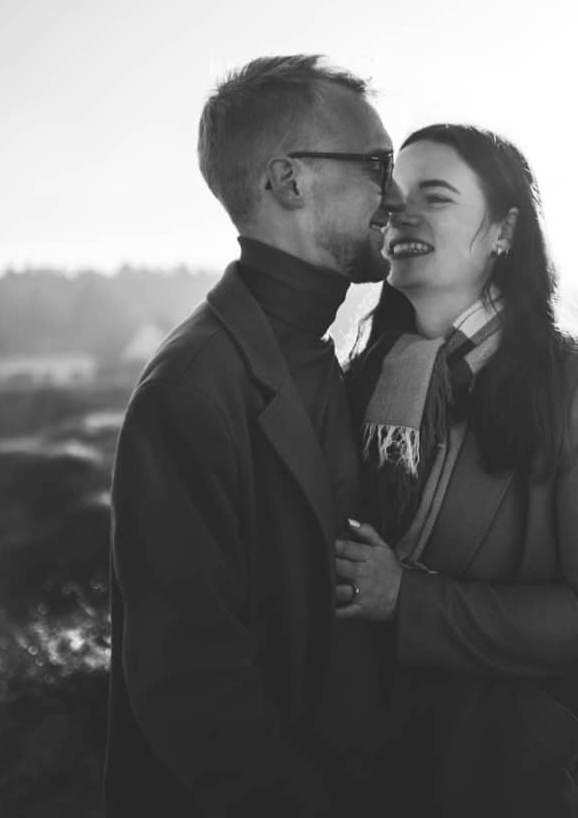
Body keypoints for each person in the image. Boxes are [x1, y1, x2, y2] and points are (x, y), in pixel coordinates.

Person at [337, 123, 578, 818]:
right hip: (373, 767)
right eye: (393, 198)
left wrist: (408, 601)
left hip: (516, 776)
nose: (403, 214)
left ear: (503, 231)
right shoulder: (356, 383)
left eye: (438, 196)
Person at [105, 54, 402, 816]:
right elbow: (190, 684)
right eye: (376, 164)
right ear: (289, 181)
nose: (395, 194)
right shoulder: (193, 388)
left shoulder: (326, 354)